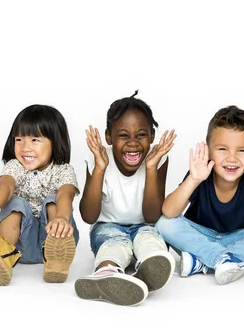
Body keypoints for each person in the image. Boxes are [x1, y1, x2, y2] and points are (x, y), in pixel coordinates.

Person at [156, 105, 244, 285]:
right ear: (209, 150)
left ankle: (203, 263)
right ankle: (224, 259)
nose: (232, 158)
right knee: (164, 224)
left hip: (235, 239)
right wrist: (193, 180)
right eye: (222, 149)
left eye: (241, 150)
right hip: (199, 238)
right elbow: (169, 211)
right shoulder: (201, 173)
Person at [74, 91, 176, 306]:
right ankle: (105, 272)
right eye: (123, 135)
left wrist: (151, 168)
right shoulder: (97, 158)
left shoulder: (158, 158)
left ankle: (149, 266)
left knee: (150, 237)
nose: (133, 143)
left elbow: (152, 214)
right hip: (107, 225)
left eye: (141, 135)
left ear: (152, 135)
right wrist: (100, 168)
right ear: (108, 137)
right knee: (114, 242)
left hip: (145, 225)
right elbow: (89, 216)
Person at [0, 105, 79, 286]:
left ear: (55, 142)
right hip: (18, 245)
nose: (25, 147)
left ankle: (55, 261)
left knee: (53, 201)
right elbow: (6, 187)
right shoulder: (15, 166)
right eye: (19, 139)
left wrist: (62, 218)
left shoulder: (63, 170)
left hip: (53, 236)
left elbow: (66, 195)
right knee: (15, 202)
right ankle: (2, 258)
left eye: (35, 140)